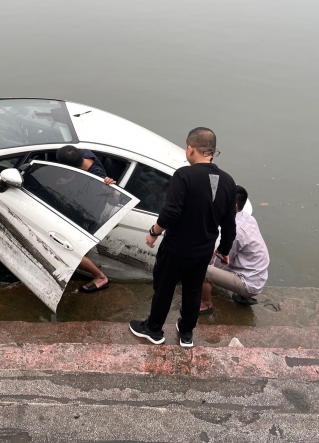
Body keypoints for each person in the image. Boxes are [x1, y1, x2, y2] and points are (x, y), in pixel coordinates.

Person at [128, 128, 237, 348]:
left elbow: (171, 213)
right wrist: (224, 249)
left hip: (177, 247)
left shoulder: (184, 175)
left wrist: (153, 233)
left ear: (190, 148)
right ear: (213, 151)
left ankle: (154, 329)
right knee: (193, 289)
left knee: (164, 286)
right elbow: (229, 223)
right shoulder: (228, 181)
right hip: (204, 249)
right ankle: (186, 333)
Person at [199, 185, 269, 314]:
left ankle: (205, 304)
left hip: (248, 283)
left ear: (234, 206)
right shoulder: (248, 218)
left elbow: (223, 261)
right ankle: (244, 297)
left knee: (202, 270)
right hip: (258, 276)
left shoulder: (235, 230)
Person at [56, 145, 115, 293]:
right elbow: (78, 171)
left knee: (71, 250)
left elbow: (114, 199)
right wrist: (68, 182)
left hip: (88, 216)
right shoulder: (84, 154)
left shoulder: (97, 178)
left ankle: (101, 277)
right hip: (79, 209)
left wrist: (110, 189)